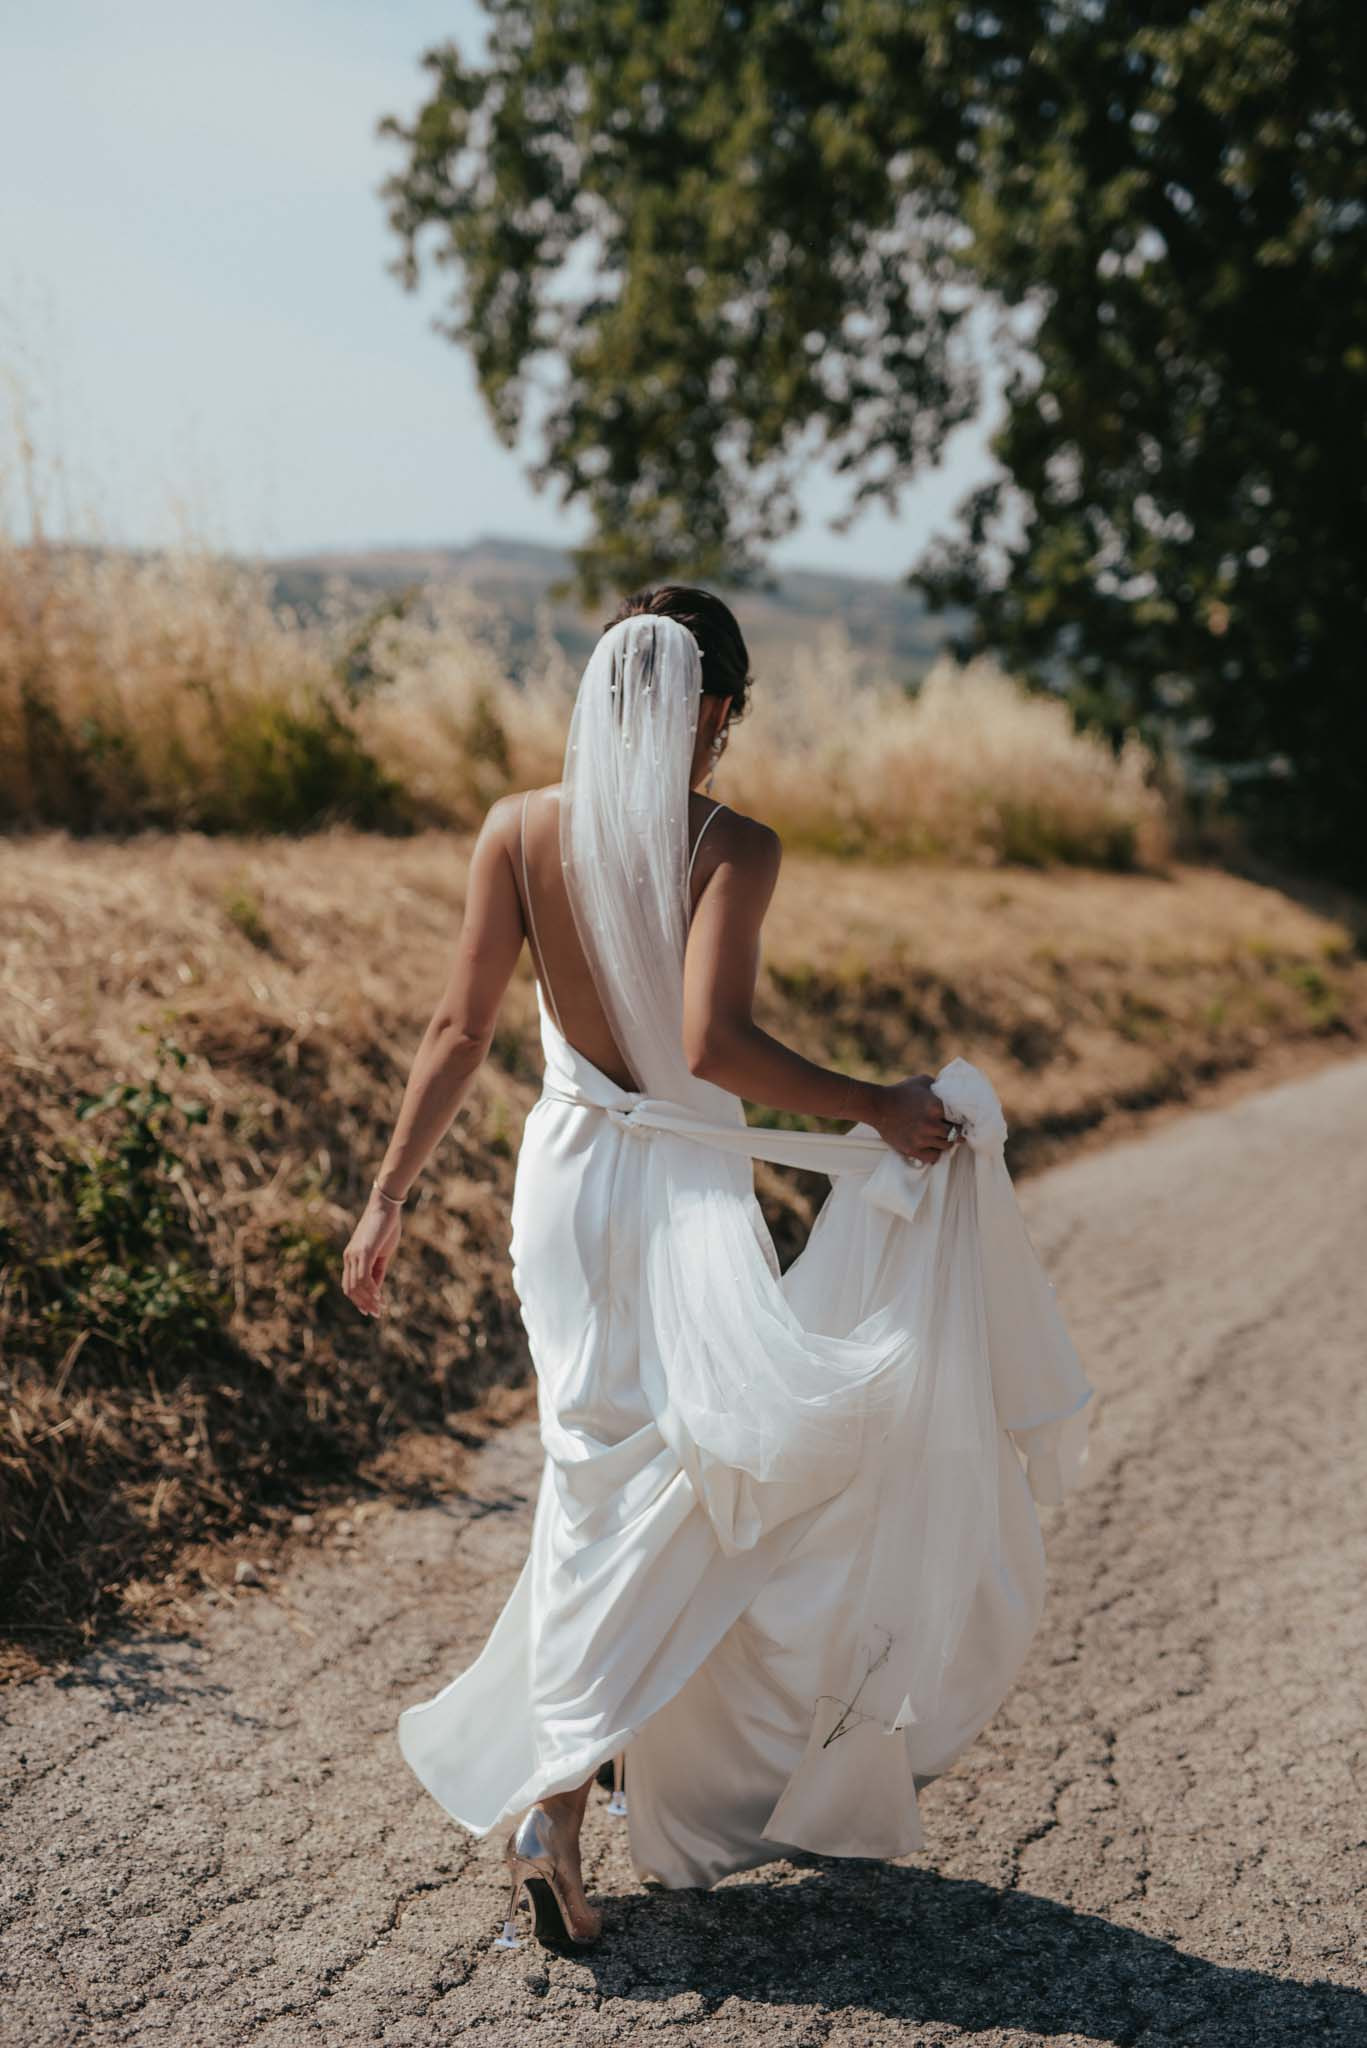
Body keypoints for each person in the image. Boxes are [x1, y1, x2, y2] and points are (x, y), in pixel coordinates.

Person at [342, 588, 1092, 1952]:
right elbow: (712, 1047)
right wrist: (871, 1102)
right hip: (676, 1188)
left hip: (562, 1182)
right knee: (711, 1470)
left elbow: (458, 1027)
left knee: (594, 1465)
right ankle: (561, 1786)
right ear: (719, 711)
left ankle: (603, 1742)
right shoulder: (729, 843)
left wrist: (385, 1197)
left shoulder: (518, 828)